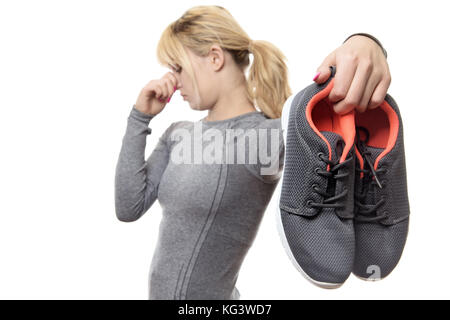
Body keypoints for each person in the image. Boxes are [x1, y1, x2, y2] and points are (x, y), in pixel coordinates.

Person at [114, 5, 391, 300]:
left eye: (178, 68)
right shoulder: (178, 134)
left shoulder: (266, 137)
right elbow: (129, 207)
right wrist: (139, 118)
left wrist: (366, 43)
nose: (173, 80)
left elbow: (326, 120)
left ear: (215, 58)